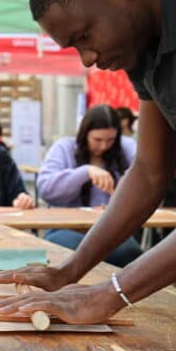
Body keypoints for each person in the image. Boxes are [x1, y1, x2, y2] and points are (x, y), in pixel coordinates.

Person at [0, 0, 176, 325]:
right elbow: (149, 172)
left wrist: (111, 292)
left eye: (84, 36)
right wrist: (69, 270)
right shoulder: (145, 43)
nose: (87, 59)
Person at [38, 104, 140, 266]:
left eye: (110, 140)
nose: (104, 146)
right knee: (71, 249)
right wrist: (84, 172)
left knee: (130, 252)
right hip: (65, 227)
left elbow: (144, 169)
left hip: (108, 229)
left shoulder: (124, 147)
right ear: (84, 133)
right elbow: (45, 189)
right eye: (97, 140)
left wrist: (124, 187)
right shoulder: (64, 147)